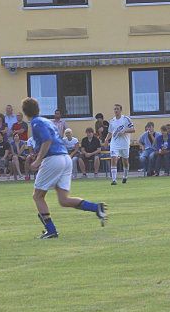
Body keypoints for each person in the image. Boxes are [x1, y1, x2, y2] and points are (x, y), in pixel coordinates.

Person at [22, 97, 108, 239]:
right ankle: (96, 208)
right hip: (65, 158)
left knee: (37, 196)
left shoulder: (36, 122)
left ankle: (51, 230)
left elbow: (47, 140)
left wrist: (37, 160)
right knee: (64, 200)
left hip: (53, 159)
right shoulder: (47, 121)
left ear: (25, 112)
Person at [104, 103, 135, 185]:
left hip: (124, 144)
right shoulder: (112, 121)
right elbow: (110, 132)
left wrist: (124, 131)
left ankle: (125, 176)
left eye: (117, 109)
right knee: (113, 159)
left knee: (125, 161)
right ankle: (114, 180)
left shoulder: (126, 119)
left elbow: (133, 129)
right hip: (114, 143)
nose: (116, 110)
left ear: (121, 110)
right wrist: (106, 140)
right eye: (115, 109)